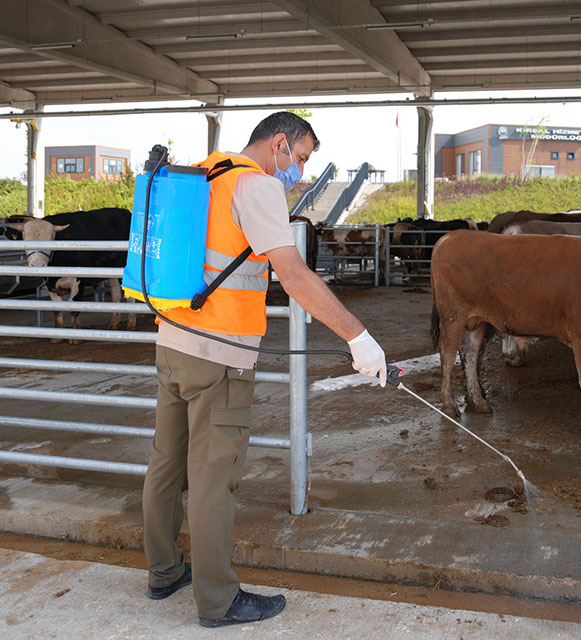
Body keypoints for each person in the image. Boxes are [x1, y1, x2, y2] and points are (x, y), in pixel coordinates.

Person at [142, 111, 388, 628]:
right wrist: (356, 336)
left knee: (166, 463)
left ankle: (164, 571)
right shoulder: (256, 188)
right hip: (220, 356)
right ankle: (218, 601)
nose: (297, 173)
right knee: (214, 479)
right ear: (279, 143)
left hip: (173, 342)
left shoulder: (207, 171)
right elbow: (293, 274)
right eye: (298, 159)